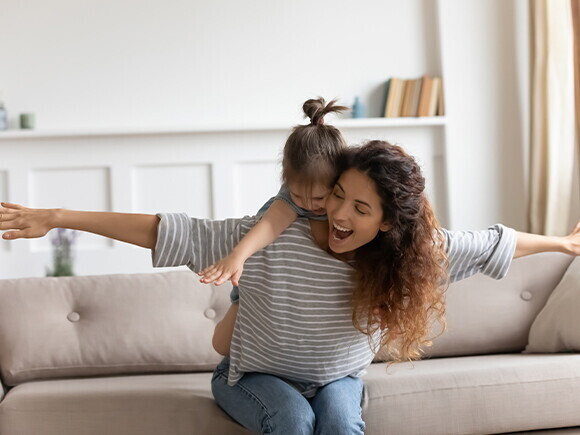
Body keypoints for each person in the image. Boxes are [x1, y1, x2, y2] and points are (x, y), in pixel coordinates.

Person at [1, 142, 579, 435]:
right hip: (253, 376)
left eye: (360, 208)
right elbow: (161, 229)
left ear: (387, 222)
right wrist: (57, 214)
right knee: (296, 423)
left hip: (336, 376)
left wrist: (561, 244)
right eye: (336, 196)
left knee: (338, 423)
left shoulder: (411, 257)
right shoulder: (272, 235)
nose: (340, 215)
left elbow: (496, 241)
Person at [203, 97, 349, 355]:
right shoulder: (285, 204)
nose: (307, 204)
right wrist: (237, 257)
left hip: (311, 293)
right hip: (262, 281)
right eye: (297, 194)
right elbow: (269, 226)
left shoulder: (349, 200)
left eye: (318, 198)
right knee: (222, 345)